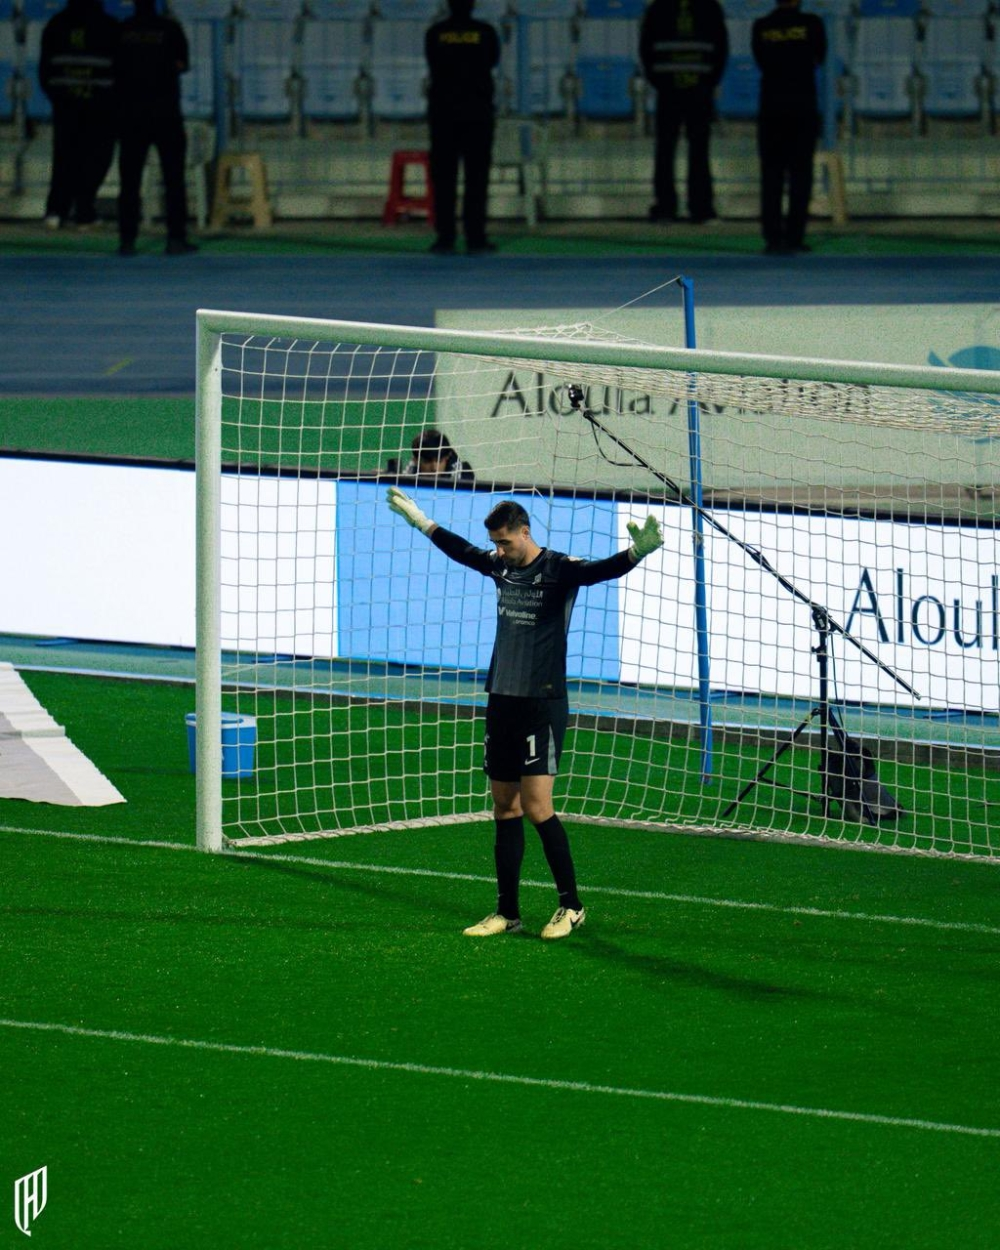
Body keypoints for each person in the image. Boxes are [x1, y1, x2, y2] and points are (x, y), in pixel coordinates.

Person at [387, 486, 664, 940]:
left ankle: (571, 906)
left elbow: (599, 572)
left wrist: (636, 552)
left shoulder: (558, 569)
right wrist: (422, 521)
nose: (499, 551)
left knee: (537, 807)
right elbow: (462, 551)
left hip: (542, 702)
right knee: (504, 806)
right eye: (495, 544)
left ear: (525, 531)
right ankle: (507, 913)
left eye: (505, 542)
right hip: (501, 699)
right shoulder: (499, 566)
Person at [114, 0, 196, 256]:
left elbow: (115, 68)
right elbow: (182, 64)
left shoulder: (122, 30)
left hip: (131, 115)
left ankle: (127, 240)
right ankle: (175, 238)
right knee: (173, 179)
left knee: (129, 182)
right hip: (165, 114)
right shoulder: (170, 29)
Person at [639, 0, 728, 224]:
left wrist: (659, 80)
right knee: (698, 149)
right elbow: (721, 48)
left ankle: (666, 208)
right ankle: (701, 208)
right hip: (699, 88)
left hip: (668, 88)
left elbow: (646, 49)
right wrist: (709, 81)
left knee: (666, 149)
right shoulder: (710, 7)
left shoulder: (658, 8)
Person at [424, 0, 501, 255]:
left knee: (444, 179)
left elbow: (432, 63)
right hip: (477, 114)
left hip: (443, 115)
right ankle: (475, 236)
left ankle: (445, 237)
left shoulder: (435, 33)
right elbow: (492, 61)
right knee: (477, 179)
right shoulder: (485, 32)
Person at [752, 0, 827, 255]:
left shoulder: (761, 26)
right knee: (800, 176)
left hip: (771, 108)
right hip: (802, 107)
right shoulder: (812, 24)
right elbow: (820, 57)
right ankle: (795, 236)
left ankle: (773, 237)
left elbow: (761, 60)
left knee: (771, 176)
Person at [39, 0, 119, 230]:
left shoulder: (56, 24)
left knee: (65, 156)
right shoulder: (109, 25)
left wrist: (57, 95)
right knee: (97, 157)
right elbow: (119, 67)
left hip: (66, 103)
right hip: (100, 104)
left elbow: (45, 69)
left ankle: (56, 210)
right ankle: (83, 210)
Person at [399, 428, 475, 486]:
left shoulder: (463, 474)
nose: (434, 468)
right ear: (415, 461)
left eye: (439, 461)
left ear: (447, 457)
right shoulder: (409, 473)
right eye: (427, 462)